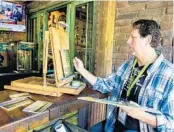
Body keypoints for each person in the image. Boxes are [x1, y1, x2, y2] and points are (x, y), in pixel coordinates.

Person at [73, 19, 174, 132]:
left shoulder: (169, 74)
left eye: (133, 37)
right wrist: (81, 70)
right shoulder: (128, 64)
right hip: (113, 124)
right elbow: (107, 85)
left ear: (148, 40)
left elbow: (171, 124)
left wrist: (141, 115)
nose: (128, 41)